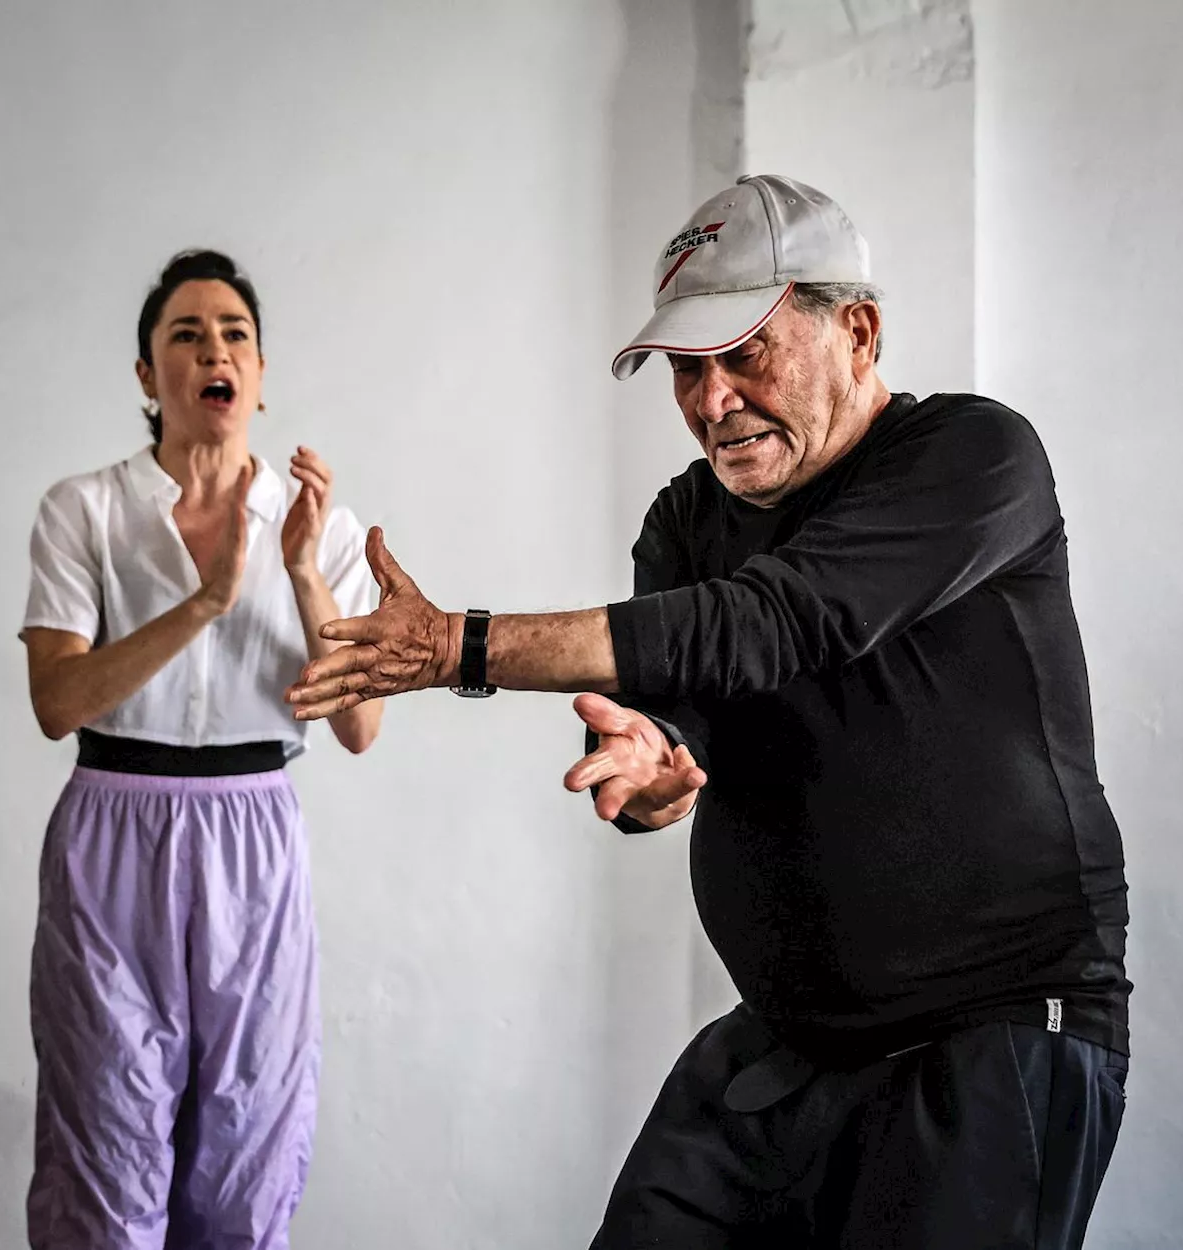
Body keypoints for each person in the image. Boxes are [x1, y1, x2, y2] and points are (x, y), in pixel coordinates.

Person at [285, 175, 1131, 1248]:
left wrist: (462, 644)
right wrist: (644, 758)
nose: (711, 399)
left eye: (743, 354)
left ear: (857, 330)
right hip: (786, 1041)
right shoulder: (687, 518)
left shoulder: (972, 457)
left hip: (992, 1035)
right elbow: (670, 708)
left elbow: (775, 619)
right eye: (686, 369)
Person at [20, 249, 383, 1250]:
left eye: (233, 333)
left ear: (259, 376)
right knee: (105, 1131)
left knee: (247, 1137)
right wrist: (208, 599)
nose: (212, 348)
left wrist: (303, 575)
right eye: (184, 333)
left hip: (253, 832)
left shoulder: (320, 526)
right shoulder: (83, 509)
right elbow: (57, 700)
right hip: (110, 824)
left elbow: (358, 726)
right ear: (148, 377)